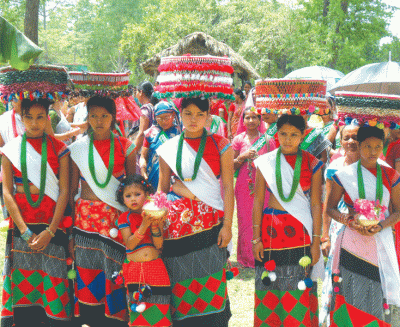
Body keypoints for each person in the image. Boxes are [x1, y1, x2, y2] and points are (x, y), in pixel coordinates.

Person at [157, 97, 234, 326]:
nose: (194, 119)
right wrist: (156, 224)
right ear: (179, 115)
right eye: (188, 113)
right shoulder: (167, 148)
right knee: (180, 285)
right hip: (175, 229)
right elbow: (162, 187)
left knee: (211, 281)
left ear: (208, 117)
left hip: (209, 226)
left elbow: (228, 187)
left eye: (200, 114)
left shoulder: (222, 144)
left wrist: (228, 226)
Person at [1, 98, 71, 326]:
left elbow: (64, 191)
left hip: (53, 224)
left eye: (40, 117)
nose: (34, 122)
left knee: (54, 281)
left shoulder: (59, 150)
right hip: (23, 227)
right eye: (29, 117)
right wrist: (23, 231)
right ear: (21, 119)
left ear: (48, 117)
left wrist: (51, 230)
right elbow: (7, 192)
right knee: (24, 284)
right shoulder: (10, 150)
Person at [69, 95, 136, 326]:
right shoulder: (77, 149)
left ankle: (115, 316)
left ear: (113, 117)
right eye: (93, 116)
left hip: (114, 220)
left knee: (113, 267)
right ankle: (90, 316)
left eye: (104, 116)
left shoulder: (126, 146)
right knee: (88, 266)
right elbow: (70, 190)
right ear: (87, 118)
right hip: (85, 218)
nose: (99, 120)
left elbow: (131, 186)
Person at [252, 114, 323, 327]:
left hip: (301, 231)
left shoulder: (313, 163)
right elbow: (258, 200)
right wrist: (256, 239)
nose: (288, 139)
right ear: (276, 134)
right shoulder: (265, 162)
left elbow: (316, 204)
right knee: (269, 281)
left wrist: (317, 241)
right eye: (283, 134)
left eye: (294, 134)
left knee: (297, 282)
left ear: (303, 136)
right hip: (271, 231)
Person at [326, 126, 400, 322]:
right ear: (359, 146)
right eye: (367, 146)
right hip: (352, 241)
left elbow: (398, 211)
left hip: (380, 241)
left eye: (377, 147)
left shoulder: (391, 175)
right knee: (350, 291)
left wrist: (381, 226)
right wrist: (350, 221)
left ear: (382, 147)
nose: (372, 151)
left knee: (376, 292)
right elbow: (330, 208)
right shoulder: (344, 175)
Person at [116, 174, 172, 327]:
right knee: (138, 313)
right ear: (122, 198)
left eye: (137, 194)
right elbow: (130, 244)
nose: (133, 199)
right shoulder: (123, 218)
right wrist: (144, 225)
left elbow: (159, 244)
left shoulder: (156, 214)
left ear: (147, 195)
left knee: (161, 309)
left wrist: (154, 224)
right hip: (134, 270)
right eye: (128, 195)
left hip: (156, 269)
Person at [319, 122, 360, 325]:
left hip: (368, 231)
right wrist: (325, 236)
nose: (351, 141)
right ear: (340, 140)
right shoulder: (335, 166)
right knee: (338, 271)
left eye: (356, 137)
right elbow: (328, 203)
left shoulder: (375, 166)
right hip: (340, 226)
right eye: (346, 137)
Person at [232, 107, 276, 268]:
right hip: (244, 185)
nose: (251, 121)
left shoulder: (268, 140)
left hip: (263, 186)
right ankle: (245, 258)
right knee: (245, 220)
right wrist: (243, 157)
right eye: (247, 118)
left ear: (260, 120)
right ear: (242, 121)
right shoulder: (238, 139)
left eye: (254, 118)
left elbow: (274, 165)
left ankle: (263, 255)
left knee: (263, 219)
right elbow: (231, 166)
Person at [140, 101, 181, 189]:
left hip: (173, 178)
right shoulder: (150, 133)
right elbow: (143, 156)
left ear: (173, 115)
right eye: (159, 118)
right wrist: (143, 171)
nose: (163, 121)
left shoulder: (180, 133)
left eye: (167, 117)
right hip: (151, 176)